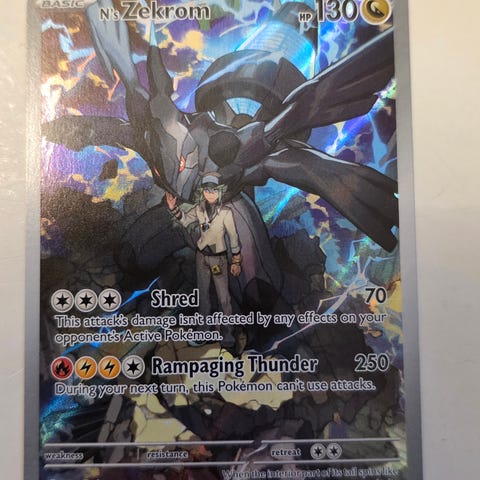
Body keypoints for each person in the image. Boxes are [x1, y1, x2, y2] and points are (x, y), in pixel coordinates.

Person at [166, 172, 242, 348]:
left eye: (213, 190)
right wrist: (173, 208)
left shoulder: (226, 213)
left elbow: (233, 237)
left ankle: (228, 335)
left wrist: (236, 260)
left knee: (223, 298)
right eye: (207, 191)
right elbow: (186, 220)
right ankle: (204, 331)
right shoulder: (199, 209)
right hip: (201, 257)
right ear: (203, 192)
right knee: (203, 296)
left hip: (218, 259)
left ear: (219, 191)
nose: (210, 194)